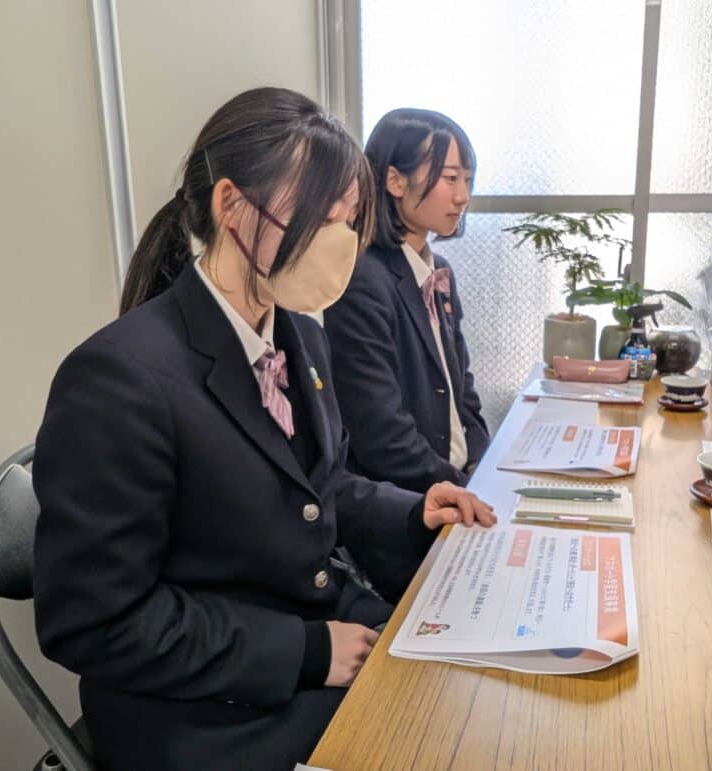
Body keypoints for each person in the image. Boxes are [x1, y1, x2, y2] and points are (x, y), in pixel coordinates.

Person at [32, 88, 495, 771]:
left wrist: (411, 509)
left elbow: (318, 487)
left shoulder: (300, 336)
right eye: (321, 218)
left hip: (310, 643)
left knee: (470, 698)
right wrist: (307, 650)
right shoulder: (119, 378)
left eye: (349, 221)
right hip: (205, 710)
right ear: (232, 206)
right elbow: (93, 622)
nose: (342, 243)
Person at [324, 108, 489, 495]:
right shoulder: (362, 279)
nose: (462, 196)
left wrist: (482, 464)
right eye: (450, 178)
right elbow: (381, 434)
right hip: (409, 502)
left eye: (467, 179)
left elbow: (463, 392)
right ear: (395, 180)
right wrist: (464, 489)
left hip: (458, 485)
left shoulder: (439, 271)